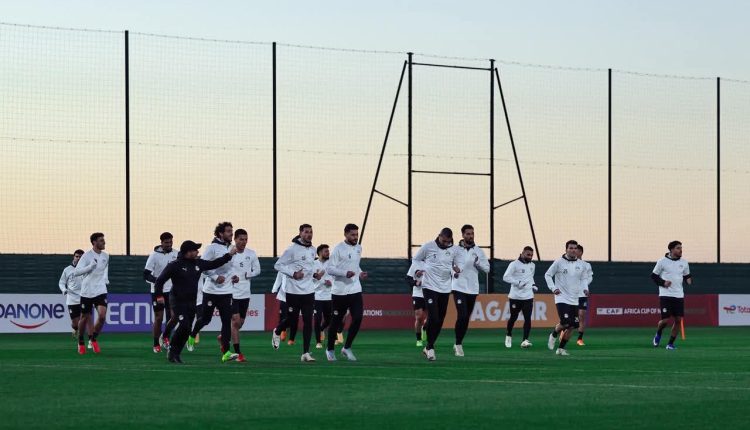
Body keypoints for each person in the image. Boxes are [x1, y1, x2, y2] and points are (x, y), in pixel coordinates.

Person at [153, 240, 236, 364]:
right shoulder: (174, 265)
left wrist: (229, 255)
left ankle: (176, 353)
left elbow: (214, 263)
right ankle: (172, 350)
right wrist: (159, 296)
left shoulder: (198, 263)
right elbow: (159, 281)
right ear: (187, 252)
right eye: (195, 250)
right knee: (184, 325)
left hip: (191, 302)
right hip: (177, 301)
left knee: (187, 329)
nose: (197, 252)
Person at [412, 227, 464, 361]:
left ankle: (429, 346)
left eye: (448, 241)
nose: (445, 243)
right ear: (439, 236)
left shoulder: (454, 250)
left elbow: (456, 265)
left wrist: (457, 270)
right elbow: (416, 259)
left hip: (445, 288)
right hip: (429, 286)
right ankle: (430, 347)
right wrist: (420, 269)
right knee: (434, 317)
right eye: (443, 240)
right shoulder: (428, 246)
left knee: (440, 319)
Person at [188, 222, 237, 362]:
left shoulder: (232, 248)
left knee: (226, 321)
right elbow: (202, 267)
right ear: (221, 233)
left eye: (231, 231)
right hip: (211, 291)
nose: (231, 233)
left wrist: (234, 276)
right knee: (206, 319)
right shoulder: (211, 248)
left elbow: (230, 267)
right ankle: (192, 335)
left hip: (227, 291)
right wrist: (215, 277)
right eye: (228, 231)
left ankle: (226, 352)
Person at [271, 224, 319, 362]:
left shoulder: (313, 249)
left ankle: (305, 353)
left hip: (309, 291)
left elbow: (308, 268)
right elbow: (278, 265)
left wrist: (314, 275)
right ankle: (278, 330)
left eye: (311, 232)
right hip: (293, 291)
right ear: (300, 233)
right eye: (306, 232)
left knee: (308, 321)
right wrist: (293, 273)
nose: (309, 234)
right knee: (292, 320)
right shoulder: (291, 249)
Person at [325, 224, 368, 362]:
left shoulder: (359, 248)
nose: (355, 237)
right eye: (352, 235)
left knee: (358, 318)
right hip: (340, 291)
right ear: (345, 234)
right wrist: (345, 273)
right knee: (336, 322)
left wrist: (360, 273)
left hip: (355, 289)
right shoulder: (338, 249)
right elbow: (329, 269)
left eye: (356, 234)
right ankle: (330, 349)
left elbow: (355, 265)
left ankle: (347, 347)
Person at [450, 224, 490, 357]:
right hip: (458, 287)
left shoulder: (478, 251)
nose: (471, 236)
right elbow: (449, 264)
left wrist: (478, 263)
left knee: (466, 318)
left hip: (472, 288)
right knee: (462, 315)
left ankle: (458, 342)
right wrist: (453, 272)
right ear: (462, 235)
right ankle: (458, 344)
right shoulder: (455, 250)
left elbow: (487, 268)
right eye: (468, 233)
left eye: (472, 233)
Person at [545, 240, 588, 356]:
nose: (573, 250)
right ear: (566, 249)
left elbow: (584, 279)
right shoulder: (559, 262)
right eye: (571, 248)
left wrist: (585, 288)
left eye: (575, 248)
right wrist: (553, 288)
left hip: (575, 299)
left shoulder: (581, 264)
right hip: (562, 298)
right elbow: (547, 275)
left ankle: (560, 349)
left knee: (573, 325)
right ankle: (554, 334)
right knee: (565, 323)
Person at [651, 241, 691, 350]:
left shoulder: (684, 262)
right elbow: (654, 276)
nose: (680, 250)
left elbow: (687, 275)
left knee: (678, 320)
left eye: (681, 248)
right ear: (671, 250)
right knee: (665, 321)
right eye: (678, 248)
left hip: (679, 295)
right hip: (666, 294)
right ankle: (658, 333)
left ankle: (670, 344)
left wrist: (689, 280)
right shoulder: (662, 261)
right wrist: (663, 282)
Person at [228, 229, 261, 362]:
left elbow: (258, 270)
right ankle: (238, 354)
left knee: (239, 324)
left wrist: (248, 274)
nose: (244, 242)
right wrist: (231, 277)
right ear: (235, 239)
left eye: (246, 239)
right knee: (235, 322)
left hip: (245, 293)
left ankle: (223, 337)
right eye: (241, 239)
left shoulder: (251, 253)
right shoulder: (229, 252)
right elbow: (223, 269)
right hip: (231, 292)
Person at [74, 233, 109, 355]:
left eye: (103, 240)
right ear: (94, 242)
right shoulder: (86, 256)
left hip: (100, 290)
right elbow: (76, 272)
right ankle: (80, 341)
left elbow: (104, 269)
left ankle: (93, 339)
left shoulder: (106, 256)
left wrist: (105, 278)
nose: (104, 242)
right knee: (84, 317)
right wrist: (90, 267)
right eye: (101, 240)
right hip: (87, 291)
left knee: (102, 316)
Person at [144, 232, 178, 353]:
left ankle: (165, 337)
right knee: (159, 318)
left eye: (170, 242)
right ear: (161, 243)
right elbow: (146, 274)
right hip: (158, 291)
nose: (169, 244)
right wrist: (158, 281)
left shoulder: (176, 254)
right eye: (166, 242)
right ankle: (155, 343)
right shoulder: (154, 256)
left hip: (172, 291)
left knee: (174, 317)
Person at [502, 246, 537, 348]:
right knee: (513, 317)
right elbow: (505, 277)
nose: (530, 257)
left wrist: (533, 285)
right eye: (528, 254)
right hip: (515, 296)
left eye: (531, 255)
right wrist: (518, 283)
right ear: (522, 253)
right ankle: (509, 334)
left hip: (528, 296)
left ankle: (525, 340)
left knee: (528, 318)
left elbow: (530, 277)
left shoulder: (533, 265)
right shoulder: (514, 264)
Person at [58, 249, 93, 342]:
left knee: (87, 319)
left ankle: (90, 340)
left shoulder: (88, 269)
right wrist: (64, 290)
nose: (78, 258)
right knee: (76, 323)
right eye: (77, 256)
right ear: (73, 257)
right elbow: (61, 282)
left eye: (80, 257)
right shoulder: (67, 270)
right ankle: (75, 328)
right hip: (72, 299)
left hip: (85, 297)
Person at [313, 244, 333, 349]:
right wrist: (319, 278)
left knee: (329, 319)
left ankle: (321, 329)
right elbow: (310, 277)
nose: (328, 253)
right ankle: (318, 342)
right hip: (317, 296)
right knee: (317, 319)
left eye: (328, 251)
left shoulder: (331, 263)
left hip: (329, 296)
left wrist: (331, 282)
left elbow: (335, 276)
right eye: (326, 251)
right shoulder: (313, 264)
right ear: (320, 252)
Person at [406, 260, 427, 347]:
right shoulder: (416, 263)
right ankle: (418, 339)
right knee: (419, 317)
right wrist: (416, 282)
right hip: (418, 294)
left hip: (430, 292)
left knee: (432, 317)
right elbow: (408, 279)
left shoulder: (434, 262)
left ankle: (424, 328)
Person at [575, 244, 593, 346]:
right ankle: (563, 332)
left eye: (576, 250)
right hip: (571, 294)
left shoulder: (587, 265)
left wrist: (584, 285)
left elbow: (590, 277)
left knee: (582, 316)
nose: (574, 252)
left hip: (583, 294)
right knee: (570, 318)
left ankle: (580, 339)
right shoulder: (569, 264)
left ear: (581, 252)